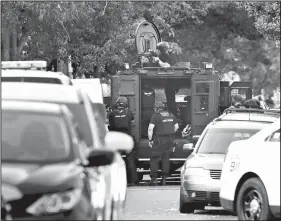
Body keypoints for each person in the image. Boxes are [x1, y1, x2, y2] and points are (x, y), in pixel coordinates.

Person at [108, 96, 138, 186]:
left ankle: (115, 181)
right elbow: (132, 121)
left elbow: (109, 124)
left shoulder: (112, 113)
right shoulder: (128, 112)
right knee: (130, 160)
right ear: (126, 104)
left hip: (116, 139)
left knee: (116, 160)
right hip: (126, 138)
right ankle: (133, 181)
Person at [147, 102, 179, 186]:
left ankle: (154, 180)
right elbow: (176, 127)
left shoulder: (156, 115)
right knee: (166, 159)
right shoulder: (171, 114)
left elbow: (150, 129)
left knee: (155, 158)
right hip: (169, 140)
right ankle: (164, 179)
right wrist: (171, 133)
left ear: (156, 108)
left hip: (159, 140)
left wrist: (150, 140)